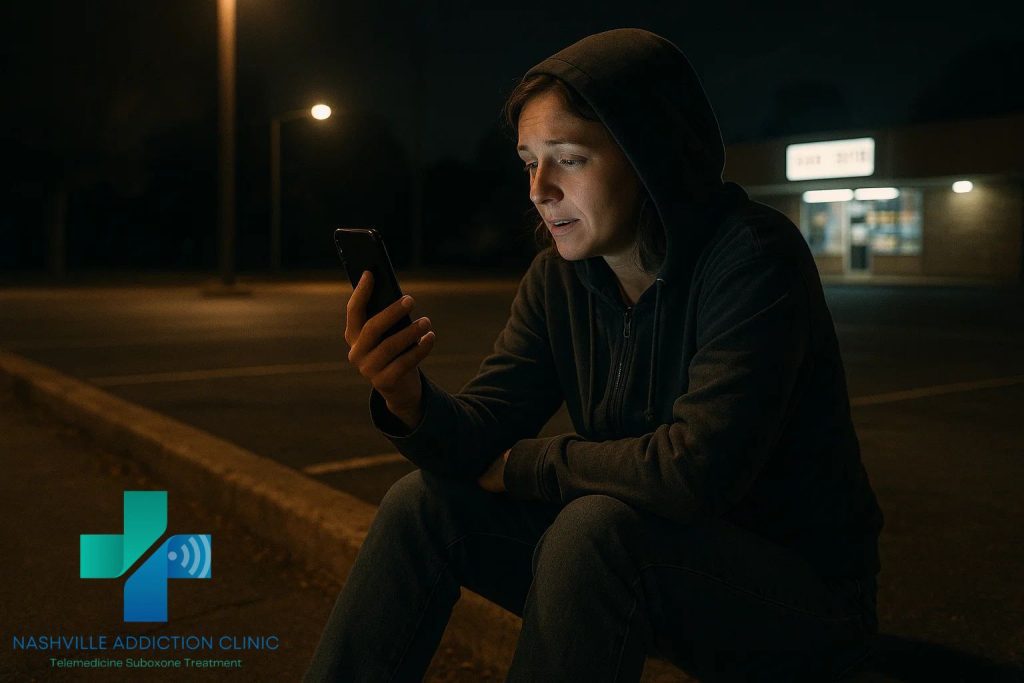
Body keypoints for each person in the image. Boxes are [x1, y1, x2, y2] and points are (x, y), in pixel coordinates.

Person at [305, 27, 884, 683]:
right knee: (423, 503)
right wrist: (408, 399)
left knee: (593, 528)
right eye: (529, 161)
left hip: (794, 598)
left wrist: (528, 465)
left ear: (650, 155)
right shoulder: (557, 279)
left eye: (569, 159)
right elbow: (478, 433)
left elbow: (694, 470)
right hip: (650, 563)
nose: (539, 189)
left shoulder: (751, 256)